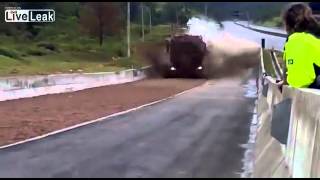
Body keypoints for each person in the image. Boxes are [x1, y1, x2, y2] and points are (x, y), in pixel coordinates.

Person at [279, 2, 320, 89]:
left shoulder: (293, 40)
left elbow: (295, 79)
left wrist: (285, 83)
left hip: (303, 89)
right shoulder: (313, 39)